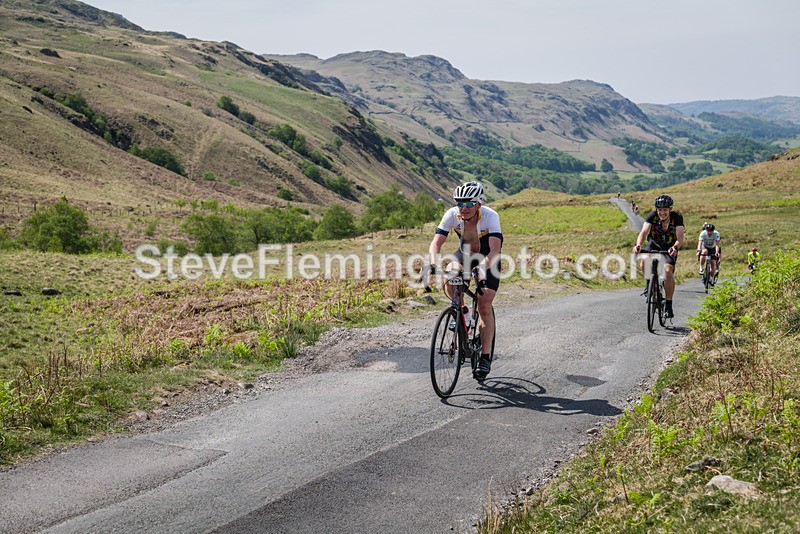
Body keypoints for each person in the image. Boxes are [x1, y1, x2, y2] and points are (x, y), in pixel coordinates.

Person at [429, 181, 503, 380]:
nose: (464, 208)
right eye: (460, 203)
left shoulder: (490, 216)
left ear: (478, 204)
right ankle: (463, 314)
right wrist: (433, 263)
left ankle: (485, 357)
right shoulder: (452, 215)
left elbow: (495, 249)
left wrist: (481, 269)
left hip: (488, 257)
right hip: (465, 253)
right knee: (451, 279)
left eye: (469, 204)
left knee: (485, 303)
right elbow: (437, 242)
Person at [632, 194, 685, 319]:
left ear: (670, 209)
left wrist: (675, 247)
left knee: (667, 272)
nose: (662, 213)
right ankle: (650, 284)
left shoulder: (677, 218)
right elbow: (644, 232)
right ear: (656, 210)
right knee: (644, 261)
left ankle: (668, 305)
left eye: (665, 210)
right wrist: (638, 245)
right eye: (660, 210)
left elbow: (680, 238)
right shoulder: (652, 216)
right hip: (654, 244)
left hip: (669, 248)